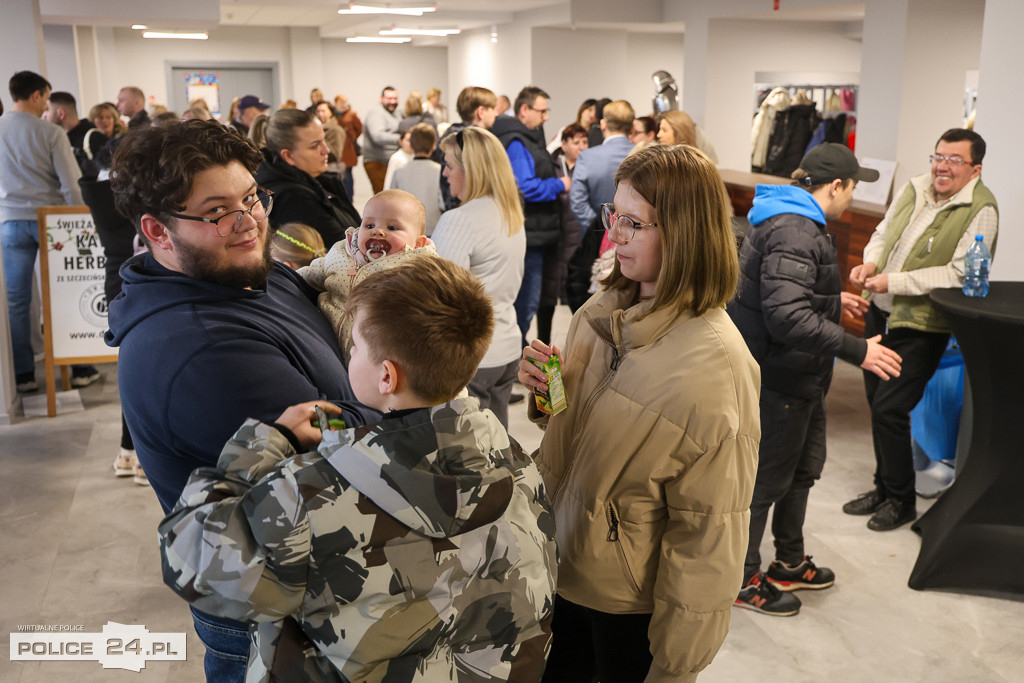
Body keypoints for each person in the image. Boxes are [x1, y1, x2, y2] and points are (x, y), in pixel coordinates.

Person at [158, 256, 557, 681]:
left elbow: (192, 560)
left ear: (387, 377)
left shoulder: (308, 493)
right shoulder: (516, 463)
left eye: (354, 348)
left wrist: (266, 445)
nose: (349, 353)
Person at [105, 119, 379, 680]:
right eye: (216, 212)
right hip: (278, 622)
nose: (249, 221)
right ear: (157, 231)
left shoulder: (244, 272)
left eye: (252, 198)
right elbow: (357, 465)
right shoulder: (203, 350)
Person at [518, 144, 760, 683]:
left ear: (684, 232)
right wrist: (544, 392)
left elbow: (709, 538)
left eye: (634, 223)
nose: (615, 234)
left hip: (625, 608)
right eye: (613, 215)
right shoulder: (602, 310)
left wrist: (674, 670)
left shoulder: (718, 368)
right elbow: (573, 424)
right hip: (557, 564)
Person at [728, 143, 902, 616]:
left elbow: (784, 299)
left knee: (801, 473)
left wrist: (830, 303)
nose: (851, 198)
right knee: (763, 484)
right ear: (836, 186)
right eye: (852, 188)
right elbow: (787, 318)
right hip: (779, 380)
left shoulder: (791, 221)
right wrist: (859, 348)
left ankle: (788, 560)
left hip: (799, 378)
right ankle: (742, 579)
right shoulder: (795, 230)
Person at [844, 128, 998, 532]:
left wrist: (891, 282)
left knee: (890, 408)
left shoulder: (981, 208)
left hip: (920, 324)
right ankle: (883, 487)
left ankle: (901, 500)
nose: (942, 167)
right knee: (877, 403)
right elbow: (883, 232)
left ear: (975, 169)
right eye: (939, 157)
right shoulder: (916, 188)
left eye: (954, 161)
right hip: (880, 312)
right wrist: (872, 264)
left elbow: (958, 272)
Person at [0, 71, 101, 394]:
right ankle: (80, 368)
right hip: (53, 221)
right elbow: (71, 185)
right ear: (36, 96)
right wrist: (84, 222)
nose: (46, 103)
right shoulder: (51, 132)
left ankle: (23, 374)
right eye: (46, 96)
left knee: (17, 300)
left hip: (10, 221)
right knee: (63, 292)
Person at [433, 126, 526, 429]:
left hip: (473, 355)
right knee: (495, 450)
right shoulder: (509, 211)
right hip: (506, 347)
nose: (445, 174)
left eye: (448, 165)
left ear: (470, 170)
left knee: (467, 458)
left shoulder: (459, 220)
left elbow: (443, 300)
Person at [301, 188, 434, 364]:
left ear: (418, 243)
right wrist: (282, 279)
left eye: (392, 227)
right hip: (325, 347)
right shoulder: (342, 252)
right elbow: (314, 272)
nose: (377, 231)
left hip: (375, 361)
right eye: (369, 225)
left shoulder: (416, 271)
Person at [491, 86, 569, 347]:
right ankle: (511, 359)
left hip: (536, 234)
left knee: (527, 301)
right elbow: (525, 186)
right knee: (524, 303)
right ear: (524, 110)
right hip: (529, 236)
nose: (546, 117)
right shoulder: (516, 141)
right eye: (542, 111)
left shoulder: (526, 138)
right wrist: (560, 185)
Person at [254, 108, 361, 249]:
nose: (326, 150)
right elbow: (343, 251)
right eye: (315, 146)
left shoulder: (315, 179)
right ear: (288, 156)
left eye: (324, 140)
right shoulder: (293, 198)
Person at [536, 122, 588, 344]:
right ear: (564, 144)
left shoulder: (588, 167)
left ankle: (576, 347)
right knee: (546, 295)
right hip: (554, 237)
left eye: (585, 142)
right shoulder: (551, 165)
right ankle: (542, 343)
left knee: (576, 295)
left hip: (578, 237)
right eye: (576, 142)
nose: (581, 147)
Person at [569, 99, 635, 233]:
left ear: (603, 124)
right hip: (635, 233)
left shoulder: (587, 157)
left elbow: (577, 201)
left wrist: (602, 228)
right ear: (632, 127)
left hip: (597, 235)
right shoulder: (644, 155)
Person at [436, 85, 498, 211]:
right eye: (492, 109)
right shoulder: (475, 142)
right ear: (481, 112)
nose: (495, 113)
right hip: (472, 212)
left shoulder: (450, 136)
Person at [390, 123, 443, 234]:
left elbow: (392, 202)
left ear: (411, 146)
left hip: (406, 230)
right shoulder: (439, 171)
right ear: (433, 145)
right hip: (434, 228)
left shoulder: (400, 172)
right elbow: (442, 202)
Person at [43, 91, 107, 176]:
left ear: (61, 114)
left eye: (47, 110)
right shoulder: (57, 139)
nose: (44, 115)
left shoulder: (95, 138)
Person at [363, 85, 401, 194]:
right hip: (377, 162)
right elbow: (377, 136)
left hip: (389, 162)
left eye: (395, 98)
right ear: (381, 99)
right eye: (389, 98)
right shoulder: (376, 113)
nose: (393, 101)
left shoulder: (396, 113)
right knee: (383, 197)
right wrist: (400, 139)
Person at [332, 94, 362, 199]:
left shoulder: (352, 114)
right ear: (335, 103)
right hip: (336, 149)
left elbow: (359, 129)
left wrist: (351, 138)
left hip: (348, 149)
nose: (344, 104)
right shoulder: (332, 115)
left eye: (345, 102)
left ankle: (349, 198)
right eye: (341, 102)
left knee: (348, 175)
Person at [314, 100, 346, 175]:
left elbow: (336, 155)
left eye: (323, 111)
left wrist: (319, 136)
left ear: (330, 112)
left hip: (330, 170)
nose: (320, 114)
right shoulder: (317, 128)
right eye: (318, 111)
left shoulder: (336, 130)